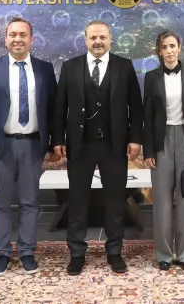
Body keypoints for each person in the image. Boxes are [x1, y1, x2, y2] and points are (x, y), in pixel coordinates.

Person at [53, 21, 143, 275]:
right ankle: (77, 253)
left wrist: (135, 139)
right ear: (85, 40)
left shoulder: (124, 66)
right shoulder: (70, 67)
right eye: (93, 37)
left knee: (115, 200)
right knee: (77, 200)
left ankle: (114, 251)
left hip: (114, 145)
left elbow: (136, 107)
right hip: (80, 145)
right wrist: (58, 139)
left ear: (110, 39)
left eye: (102, 37)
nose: (98, 42)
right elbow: (60, 107)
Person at [0, 18, 57, 276]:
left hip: (33, 145)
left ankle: (27, 251)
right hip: (1, 146)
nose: (17, 39)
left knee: (30, 202)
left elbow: (53, 110)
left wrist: (55, 143)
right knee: (1, 203)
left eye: (23, 35)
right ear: (6, 38)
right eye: (12, 34)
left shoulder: (45, 69)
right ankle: (3, 253)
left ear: (31, 39)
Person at [143, 30, 184, 270]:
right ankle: (163, 254)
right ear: (159, 51)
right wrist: (148, 151)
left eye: (172, 46)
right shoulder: (151, 77)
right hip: (160, 141)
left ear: (179, 48)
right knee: (161, 199)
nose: (169, 51)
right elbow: (148, 116)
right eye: (164, 47)